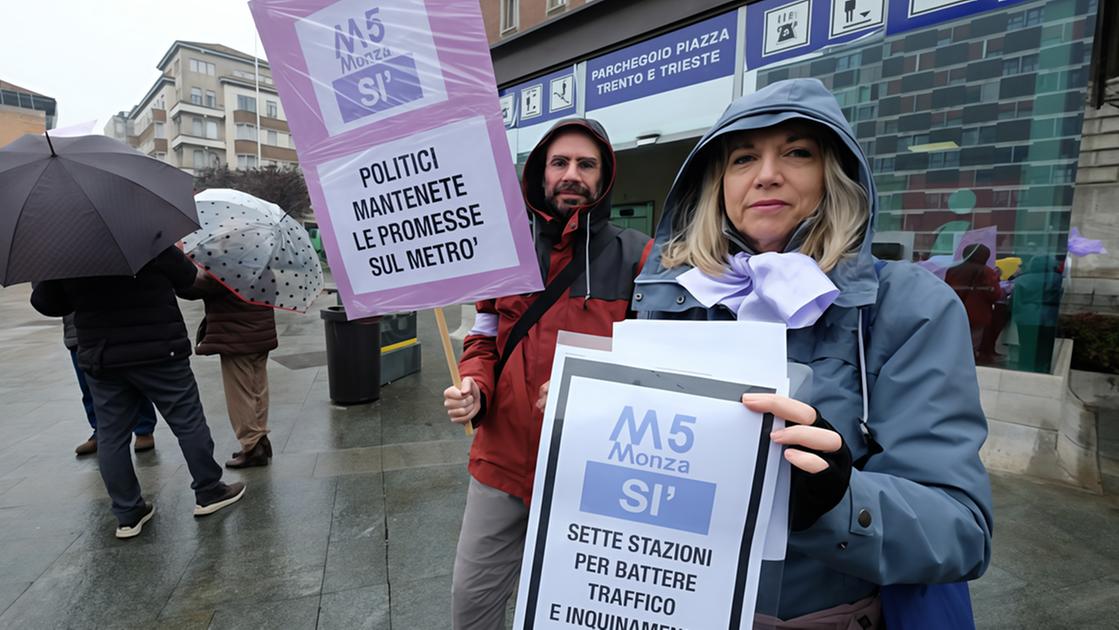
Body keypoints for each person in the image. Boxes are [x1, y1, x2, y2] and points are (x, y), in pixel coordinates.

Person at [632, 79, 992, 626]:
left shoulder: (909, 306)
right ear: (718, 184)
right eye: (743, 157)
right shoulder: (676, 298)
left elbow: (962, 531)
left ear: (835, 173)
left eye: (797, 152)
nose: (767, 173)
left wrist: (837, 500)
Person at [443, 118, 651, 629]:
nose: (571, 174)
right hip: (502, 461)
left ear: (603, 178)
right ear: (541, 174)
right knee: (472, 604)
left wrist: (590, 389)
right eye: (560, 163)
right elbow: (483, 337)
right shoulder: (502, 252)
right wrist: (476, 386)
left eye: (585, 164)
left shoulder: (641, 256)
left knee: (577, 612)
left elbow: (653, 364)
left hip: (594, 474)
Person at [31, 246, 246, 540]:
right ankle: (209, 490)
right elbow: (187, 282)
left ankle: (128, 512)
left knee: (111, 434)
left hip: (103, 356)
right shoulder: (149, 238)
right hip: (161, 350)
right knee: (187, 420)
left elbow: (47, 303)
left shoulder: (69, 250)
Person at [180, 274, 277, 468]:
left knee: (240, 394)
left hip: (237, 337)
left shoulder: (227, 264)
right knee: (258, 387)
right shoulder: (261, 259)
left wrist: (177, 267)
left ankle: (251, 447)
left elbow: (191, 288)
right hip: (260, 333)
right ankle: (260, 439)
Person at [64, 314, 160, 456]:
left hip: (116, 329)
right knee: (88, 388)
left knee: (132, 381)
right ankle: (99, 431)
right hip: (76, 332)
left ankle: (143, 429)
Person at [945, 243, 1004, 361]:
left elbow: (946, 289)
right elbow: (995, 294)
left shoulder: (953, 270)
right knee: (971, 344)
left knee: (955, 341)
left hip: (955, 311)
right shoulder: (986, 272)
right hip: (977, 314)